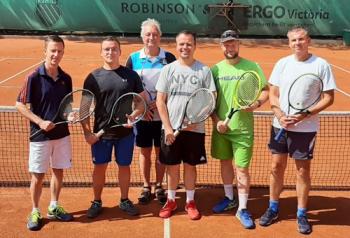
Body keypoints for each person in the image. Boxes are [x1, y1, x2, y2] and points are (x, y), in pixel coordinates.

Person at [258, 26, 336, 234]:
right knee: (276, 167)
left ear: (308, 40)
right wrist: (279, 115)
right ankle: (273, 207)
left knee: (302, 170)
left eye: (301, 39)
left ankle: (301, 213)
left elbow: (329, 97)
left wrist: (305, 114)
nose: (297, 43)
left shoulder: (321, 65)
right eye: (293, 40)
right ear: (289, 42)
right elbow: (273, 94)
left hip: (305, 128)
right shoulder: (282, 64)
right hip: (280, 125)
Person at [81, 36, 147, 219]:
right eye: (107, 49)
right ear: (101, 52)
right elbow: (84, 109)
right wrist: (88, 133)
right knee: (99, 167)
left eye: (114, 49)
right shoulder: (93, 78)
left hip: (125, 133)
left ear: (120, 51)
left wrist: (135, 115)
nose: (110, 52)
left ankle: (125, 200)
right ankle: (96, 201)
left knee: (124, 166)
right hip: (101, 136)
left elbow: (141, 101)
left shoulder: (131, 76)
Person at [210, 30, 269, 229]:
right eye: (226, 44)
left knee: (242, 168)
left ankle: (242, 208)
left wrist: (256, 104)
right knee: (225, 164)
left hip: (243, 129)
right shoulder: (215, 70)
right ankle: (229, 198)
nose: (230, 47)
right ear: (221, 46)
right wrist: (217, 121)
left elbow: (265, 90)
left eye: (233, 43)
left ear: (238, 44)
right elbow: (211, 101)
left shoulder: (252, 67)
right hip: (221, 129)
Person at [156, 30, 216, 220]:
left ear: (195, 46)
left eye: (189, 44)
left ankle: (190, 201)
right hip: (170, 130)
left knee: (190, 166)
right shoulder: (168, 70)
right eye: (182, 44)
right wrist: (167, 127)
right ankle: (171, 200)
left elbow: (211, 99)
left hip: (194, 130)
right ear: (176, 46)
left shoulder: (204, 71)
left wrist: (196, 120)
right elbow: (160, 101)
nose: (185, 47)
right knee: (171, 167)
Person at [16, 35, 74, 231]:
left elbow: (67, 106)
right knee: (38, 176)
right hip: (40, 137)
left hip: (62, 135)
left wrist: (70, 115)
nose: (56, 54)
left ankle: (54, 206)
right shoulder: (33, 77)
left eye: (59, 51)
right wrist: (40, 122)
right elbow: (19, 104)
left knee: (58, 171)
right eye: (52, 51)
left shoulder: (66, 78)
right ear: (45, 52)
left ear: (63, 52)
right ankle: (35, 210)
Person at [125, 18, 176, 205]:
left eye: (155, 34)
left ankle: (159, 185)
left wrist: (159, 104)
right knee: (144, 151)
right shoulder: (133, 58)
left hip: (163, 115)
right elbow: (129, 87)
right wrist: (142, 107)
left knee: (160, 151)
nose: (151, 38)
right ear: (141, 36)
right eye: (148, 34)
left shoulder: (169, 58)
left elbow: (174, 85)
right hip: (142, 115)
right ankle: (146, 186)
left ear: (160, 36)